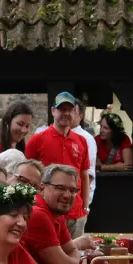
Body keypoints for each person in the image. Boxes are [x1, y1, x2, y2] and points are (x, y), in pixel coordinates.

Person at [24, 92, 91, 233]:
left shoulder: (81, 141)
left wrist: (85, 206)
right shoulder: (37, 140)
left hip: (74, 212)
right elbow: (27, 176)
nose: (66, 113)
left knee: (77, 253)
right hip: (46, 211)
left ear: (75, 112)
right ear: (53, 111)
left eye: (70, 110)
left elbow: (84, 174)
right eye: (61, 109)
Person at [22, 164, 93, 264]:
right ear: (42, 188)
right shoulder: (38, 214)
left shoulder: (57, 213)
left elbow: (71, 250)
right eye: (60, 188)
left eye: (72, 190)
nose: (67, 195)